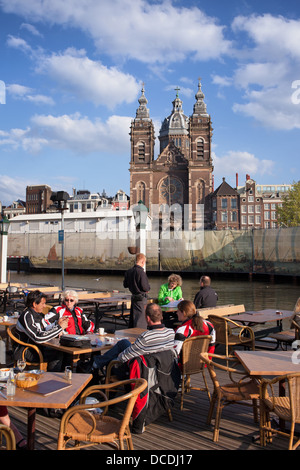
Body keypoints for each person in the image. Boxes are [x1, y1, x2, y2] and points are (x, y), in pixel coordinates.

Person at [92, 303, 175, 377]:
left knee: (112, 361)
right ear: (161, 316)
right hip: (162, 367)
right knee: (123, 343)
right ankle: (96, 363)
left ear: (148, 318)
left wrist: (119, 356)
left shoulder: (146, 337)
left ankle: (96, 366)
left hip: (143, 368)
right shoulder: (171, 332)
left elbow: (124, 357)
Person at [14, 290, 69, 371]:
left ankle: (63, 377)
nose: (44, 306)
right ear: (34, 304)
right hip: (27, 350)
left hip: (39, 347)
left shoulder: (38, 315)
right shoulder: (27, 316)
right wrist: (59, 328)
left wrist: (57, 324)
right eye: (42, 303)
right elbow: (38, 337)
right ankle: (52, 377)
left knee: (66, 353)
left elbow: (45, 329)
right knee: (58, 353)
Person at [173, 300, 216, 364]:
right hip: (203, 362)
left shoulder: (182, 330)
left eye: (178, 311)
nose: (176, 313)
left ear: (184, 313)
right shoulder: (209, 325)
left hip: (184, 365)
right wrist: (207, 361)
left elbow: (175, 354)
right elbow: (212, 346)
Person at [123, 253, 150, 328]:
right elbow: (145, 287)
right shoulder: (141, 272)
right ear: (143, 261)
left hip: (134, 297)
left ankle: (132, 332)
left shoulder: (128, 272)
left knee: (133, 317)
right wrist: (148, 288)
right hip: (141, 298)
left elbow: (125, 285)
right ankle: (139, 334)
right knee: (141, 319)